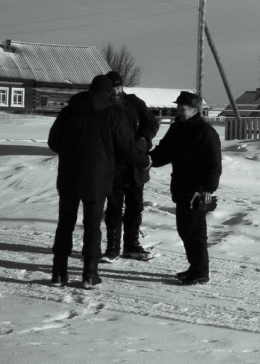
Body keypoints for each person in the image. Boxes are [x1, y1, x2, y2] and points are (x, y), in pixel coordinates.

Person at [48, 74, 142, 289]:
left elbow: (53, 142)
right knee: (92, 227)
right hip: (97, 178)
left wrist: (71, 150)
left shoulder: (69, 111)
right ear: (109, 93)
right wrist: (144, 160)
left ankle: (58, 274)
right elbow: (126, 147)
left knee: (65, 225)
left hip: (69, 176)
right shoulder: (113, 113)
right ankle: (89, 275)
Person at [149, 91, 221, 285]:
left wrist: (208, 189)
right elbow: (164, 151)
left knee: (195, 232)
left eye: (182, 109)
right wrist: (148, 160)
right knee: (185, 230)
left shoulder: (205, 132)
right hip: (181, 187)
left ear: (194, 110)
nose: (178, 111)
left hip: (196, 191)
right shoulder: (178, 128)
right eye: (178, 108)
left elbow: (214, 164)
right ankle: (194, 267)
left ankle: (200, 271)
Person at [102, 71, 160, 262]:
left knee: (135, 208)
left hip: (136, 166)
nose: (116, 91)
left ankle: (131, 244)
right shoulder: (103, 106)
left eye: (118, 87)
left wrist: (143, 139)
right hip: (114, 167)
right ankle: (112, 248)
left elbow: (152, 121)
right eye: (112, 88)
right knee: (114, 209)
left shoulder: (134, 103)